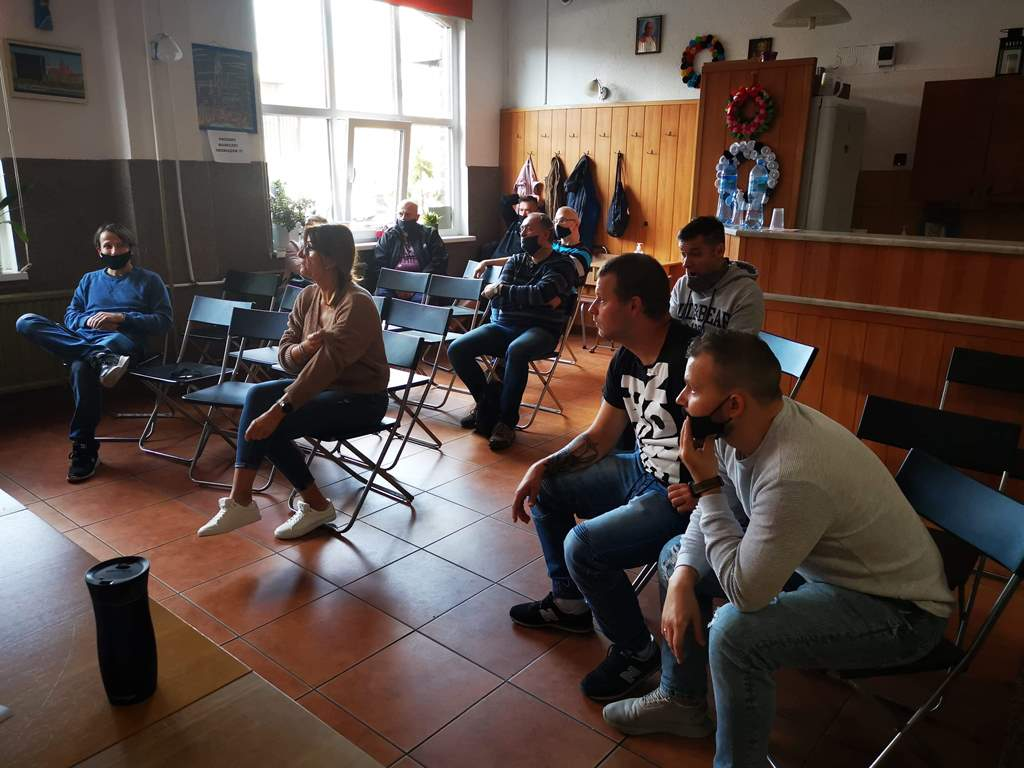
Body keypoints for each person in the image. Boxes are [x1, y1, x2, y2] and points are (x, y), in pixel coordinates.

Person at [604, 331, 954, 768]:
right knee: (677, 556)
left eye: (692, 389)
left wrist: (705, 485)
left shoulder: (794, 472)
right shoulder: (737, 429)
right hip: (821, 571)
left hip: (897, 611)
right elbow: (719, 509)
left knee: (734, 635)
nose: (680, 398)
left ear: (733, 404)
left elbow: (746, 592)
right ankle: (681, 700)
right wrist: (681, 580)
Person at [508, 253, 699, 701]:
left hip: (680, 495)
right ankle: (569, 602)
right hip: (640, 468)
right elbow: (600, 436)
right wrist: (542, 466)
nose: (591, 308)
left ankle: (636, 650)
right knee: (548, 487)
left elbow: (743, 443)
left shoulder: (695, 358)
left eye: (602, 300)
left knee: (584, 546)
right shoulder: (625, 359)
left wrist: (708, 489)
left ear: (634, 306)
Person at [196, 224, 390, 539]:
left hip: (360, 399)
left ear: (330, 259)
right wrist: (304, 349)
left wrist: (279, 410)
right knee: (258, 395)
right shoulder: (307, 296)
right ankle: (240, 500)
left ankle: (314, 505)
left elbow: (326, 367)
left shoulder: (357, 303)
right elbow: (285, 356)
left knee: (273, 423)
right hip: (319, 389)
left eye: (308, 248)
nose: (299, 253)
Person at [15, 223, 172, 482]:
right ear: (99, 251)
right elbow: (71, 316)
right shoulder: (89, 280)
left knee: (81, 366)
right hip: (86, 339)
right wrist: (87, 321)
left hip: (124, 342)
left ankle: (84, 446)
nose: (114, 250)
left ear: (130, 248)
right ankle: (97, 356)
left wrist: (120, 318)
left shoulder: (150, 280)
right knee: (26, 321)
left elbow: (163, 322)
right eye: (108, 246)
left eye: (120, 245)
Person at [448, 212, 577, 451]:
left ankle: (506, 423)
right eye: (521, 230)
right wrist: (527, 296)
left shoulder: (562, 264)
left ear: (545, 234)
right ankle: (487, 406)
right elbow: (502, 301)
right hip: (503, 325)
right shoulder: (516, 260)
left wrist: (504, 290)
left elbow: (541, 293)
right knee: (457, 348)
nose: (522, 233)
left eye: (528, 229)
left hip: (541, 330)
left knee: (516, 351)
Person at [670, 216, 764, 334]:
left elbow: (738, 345)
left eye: (695, 254)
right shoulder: (682, 285)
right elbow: (669, 335)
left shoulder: (746, 293)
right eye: (683, 254)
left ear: (719, 251)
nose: (685, 264)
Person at [476, 205, 592, 285]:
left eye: (562, 220)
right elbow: (524, 258)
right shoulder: (553, 245)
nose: (557, 225)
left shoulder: (583, 252)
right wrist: (487, 262)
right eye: (555, 221)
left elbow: (564, 269)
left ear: (576, 223)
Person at [369, 200, 448, 297]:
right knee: (381, 298)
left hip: (422, 282)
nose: (403, 218)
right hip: (393, 283)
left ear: (417, 217)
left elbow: (439, 261)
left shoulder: (430, 234)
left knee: (421, 300)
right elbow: (379, 264)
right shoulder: (388, 236)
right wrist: (395, 286)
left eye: (407, 215)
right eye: (400, 214)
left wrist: (417, 284)